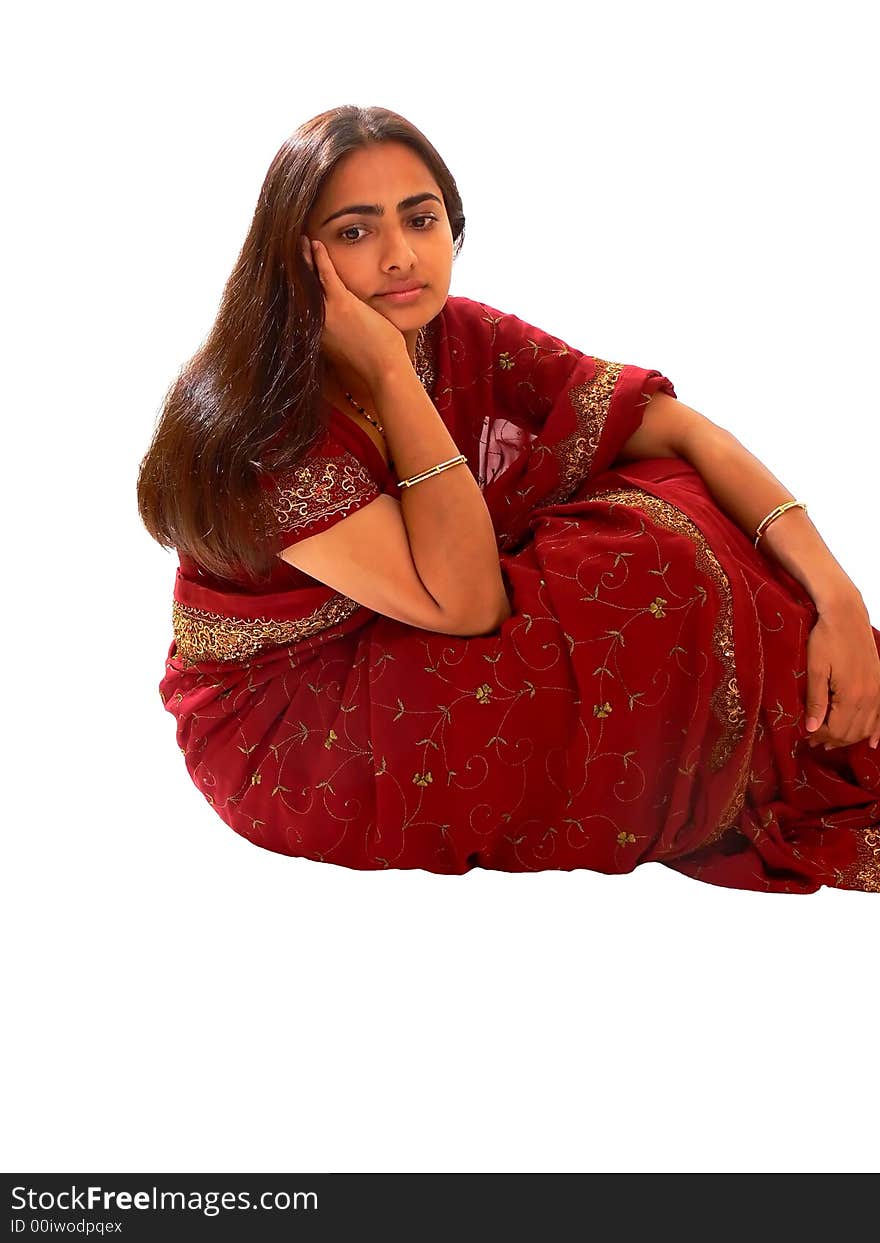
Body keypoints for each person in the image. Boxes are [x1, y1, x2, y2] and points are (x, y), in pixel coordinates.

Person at [137, 105, 880, 894]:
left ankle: (813, 705)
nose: (399, 257)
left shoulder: (459, 337)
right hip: (300, 723)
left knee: (671, 499)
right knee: (648, 576)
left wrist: (835, 598)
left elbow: (683, 434)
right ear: (298, 256)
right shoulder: (267, 428)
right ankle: (759, 751)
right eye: (355, 232)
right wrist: (391, 376)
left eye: (420, 220)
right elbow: (468, 604)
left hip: (433, 618)